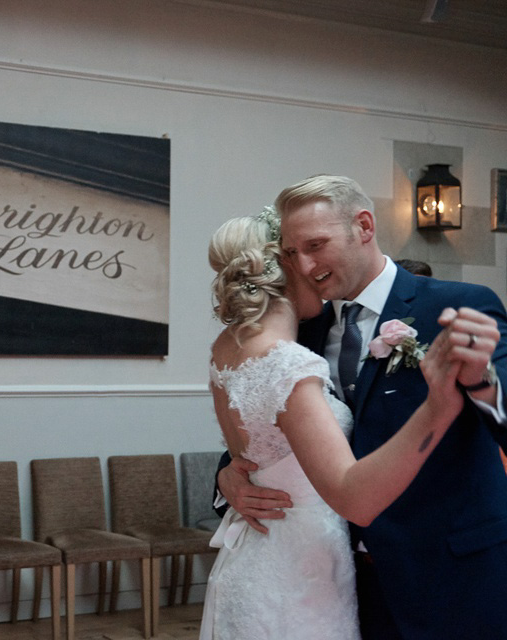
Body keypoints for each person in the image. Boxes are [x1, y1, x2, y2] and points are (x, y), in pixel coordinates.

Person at [217, 176, 507, 639]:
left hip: (450, 579)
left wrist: (481, 383)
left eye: (316, 245)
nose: (305, 265)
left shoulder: (455, 305)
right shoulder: (301, 333)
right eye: (291, 253)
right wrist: (227, 476)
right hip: (340, 583)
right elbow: (269, 434)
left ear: (365, 226)